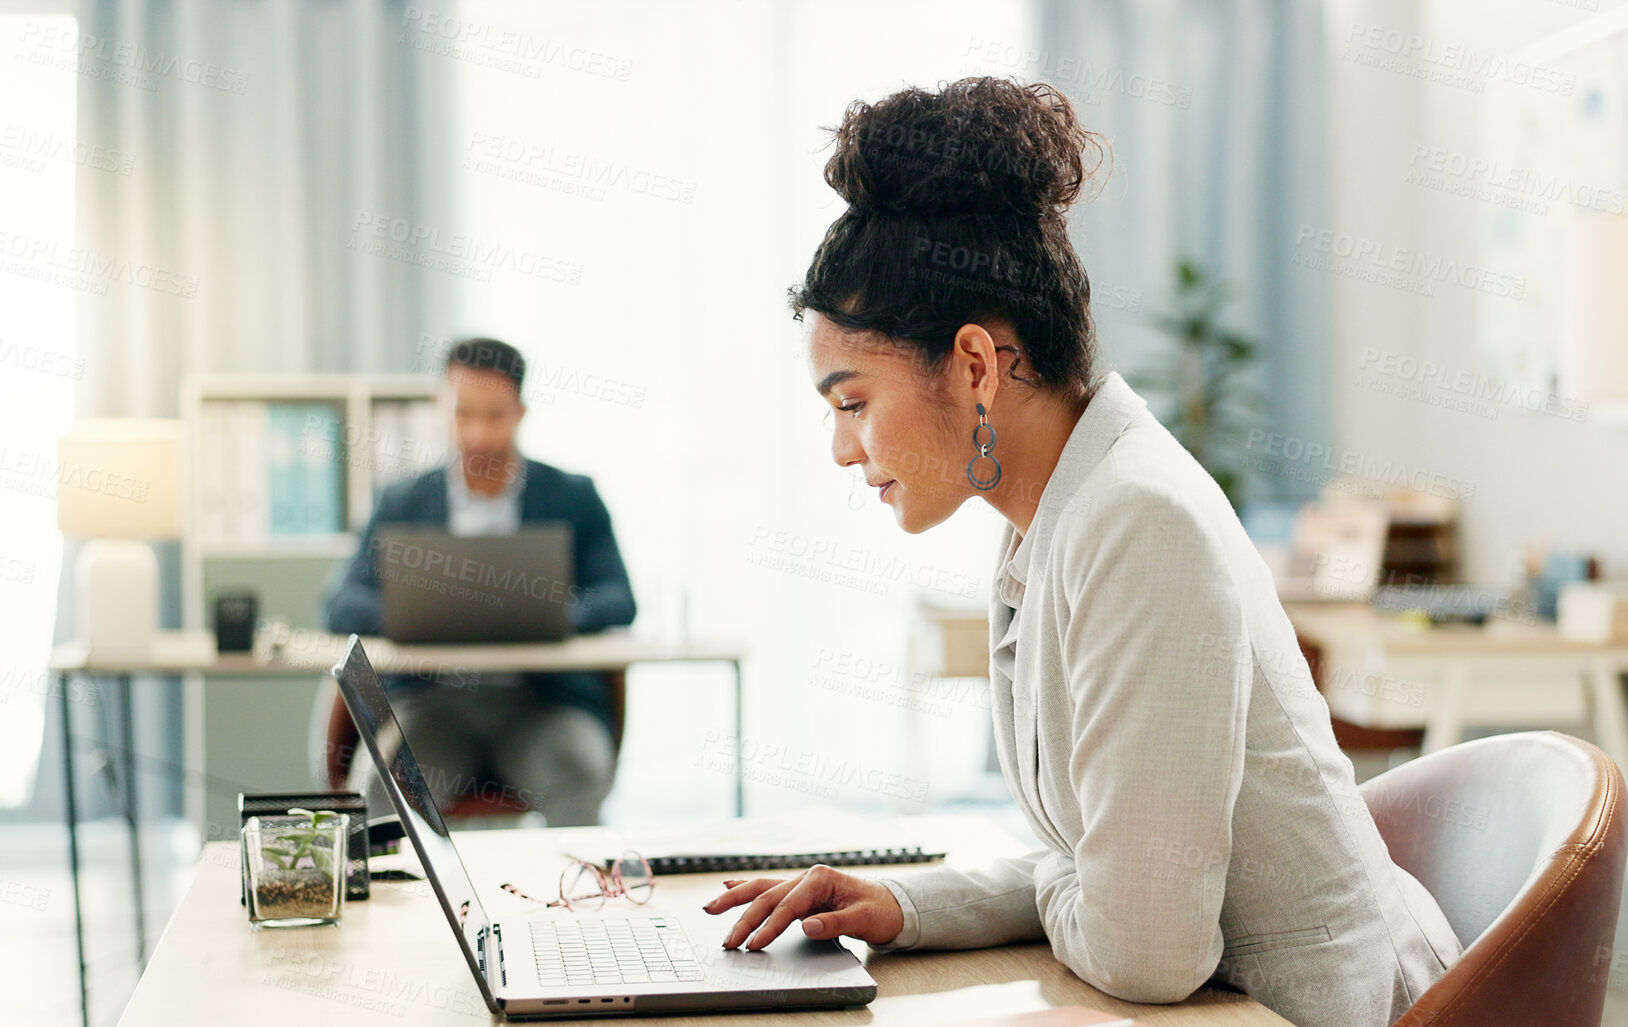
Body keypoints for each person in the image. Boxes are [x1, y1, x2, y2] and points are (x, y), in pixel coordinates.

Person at [701, 78, 1460, 1025]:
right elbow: (1110, 868)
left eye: (852, 402)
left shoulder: (1139, 521)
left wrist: (1084, 882)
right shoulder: (1054, 512)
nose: (843, 449)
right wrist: (908, 904)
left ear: (976, 365)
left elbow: (1145, 951)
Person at [326, 337, 637, 827]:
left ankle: (575, 900)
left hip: (542, 705)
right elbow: (341, 602)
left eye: (494, 416)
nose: (477, 434)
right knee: (387, 781)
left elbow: (619, 598)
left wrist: (547, 613)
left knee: (577, 767)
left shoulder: (573, 497)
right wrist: (420, 614)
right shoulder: (401, 502)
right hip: (433, 706)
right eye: (462, 414)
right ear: (440, 407)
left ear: (520, 412)